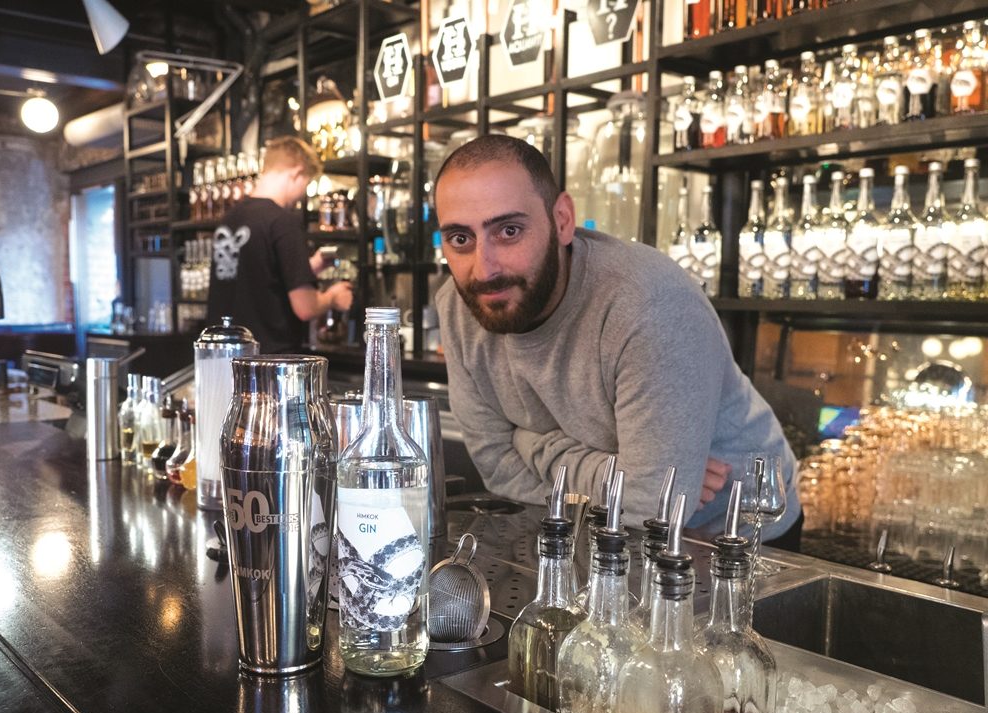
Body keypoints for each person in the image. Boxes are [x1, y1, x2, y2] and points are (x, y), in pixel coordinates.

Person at [433, 135, 801, 546]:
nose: (484, 269)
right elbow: (497, 471)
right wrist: (616, 475)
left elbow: (650, 508)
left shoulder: (649, 303)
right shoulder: (458, 306)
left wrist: (530, 445)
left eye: (509, 231)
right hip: (598, 532)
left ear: (562, 221)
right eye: (460, 239)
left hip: (735, 534)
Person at [207, 136, 353, 353]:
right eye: (306, 184)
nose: (302, 195)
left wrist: (307, 269)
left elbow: (255, 280)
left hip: (223, 356)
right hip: (269, 361)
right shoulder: (282, 221)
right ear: (296, 173)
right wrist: (333, 297)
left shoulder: (230, 219)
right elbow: (306, 307)